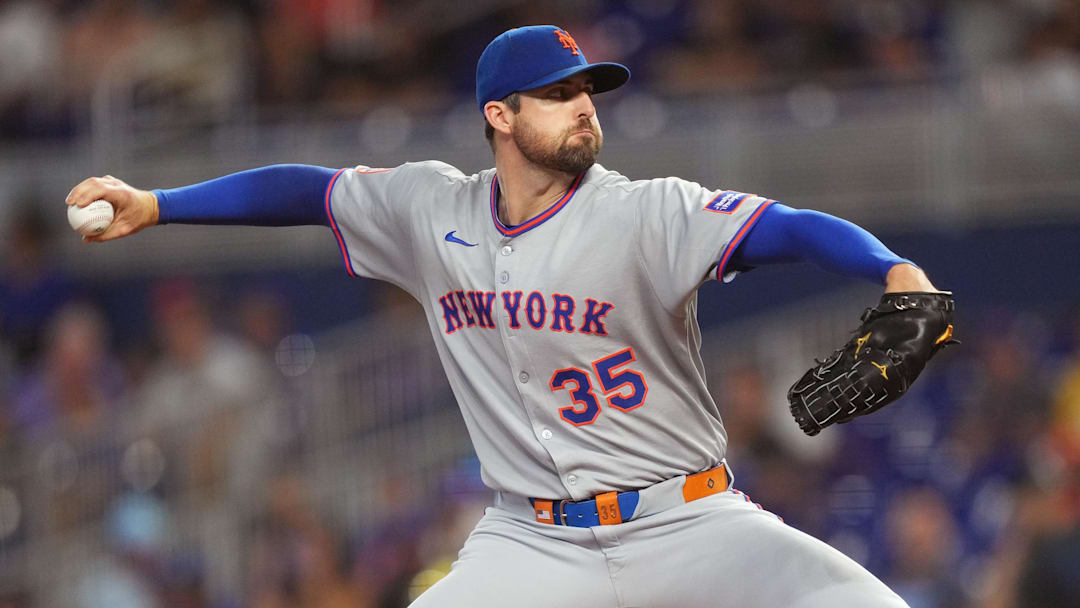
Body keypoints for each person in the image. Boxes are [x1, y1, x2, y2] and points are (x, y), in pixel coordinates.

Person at [66, 25, 948, 607]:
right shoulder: (430, 207)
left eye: (587, 88)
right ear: (500, 114)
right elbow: (304, 189)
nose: (584, 104)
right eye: (558, 92)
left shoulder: (646, 212)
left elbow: (788, 226)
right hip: (531, 542)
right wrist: (159, 203)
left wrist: (895, 271)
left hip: (689, 522)